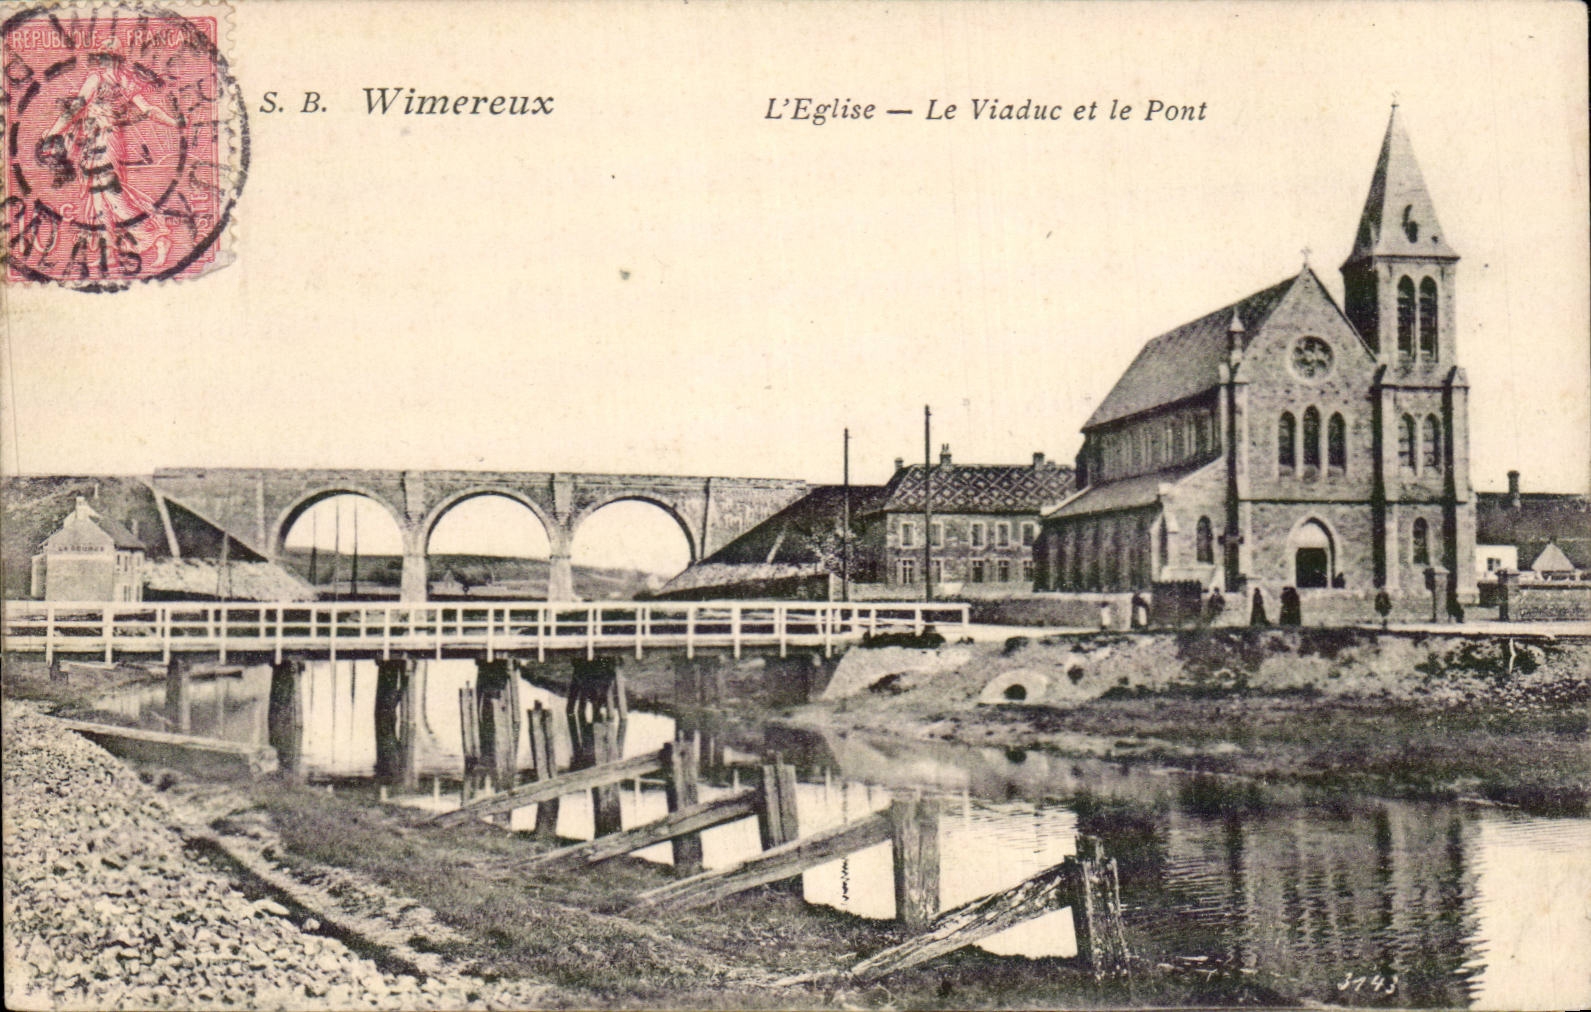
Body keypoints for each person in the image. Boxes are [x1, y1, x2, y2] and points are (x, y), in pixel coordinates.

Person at [38, 37, 179, 270]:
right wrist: (175, 123)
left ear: (106, 58)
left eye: (103, 56)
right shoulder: (125, 81)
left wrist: (51, 133)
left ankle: (158, 238)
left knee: (112, 196)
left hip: (103, 141)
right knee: (98, 197)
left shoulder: (97, 78)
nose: (102, 61)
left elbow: (75, 110)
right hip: (100, 141)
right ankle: (110, 252)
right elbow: (149, 110)